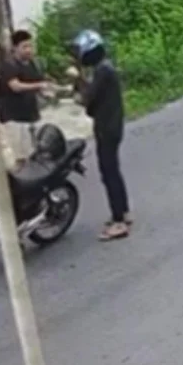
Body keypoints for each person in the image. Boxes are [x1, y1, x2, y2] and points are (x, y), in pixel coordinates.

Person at [70, 29, 132, 241]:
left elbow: (87, 98)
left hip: (107, 128)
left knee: (109, 173)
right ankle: (122, 211)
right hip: (111, 126)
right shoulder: (103, 69)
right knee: (113, 170)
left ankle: (119, 222)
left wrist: (78, 80)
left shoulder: (103, 72)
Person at [0, 29, 51, 169]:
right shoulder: (9, 65)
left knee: (36, 154)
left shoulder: (32, 64)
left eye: (30, 46)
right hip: (15, 119)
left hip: (32, 116)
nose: (29, 50)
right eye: (24, 47)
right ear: (15, 48)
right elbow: (16, 86)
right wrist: (39, 85)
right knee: (21, 158)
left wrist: (46, 92)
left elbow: (38, 85)